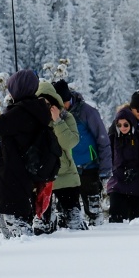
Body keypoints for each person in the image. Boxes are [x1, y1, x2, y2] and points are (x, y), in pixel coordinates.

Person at [0, 69, 60, 240]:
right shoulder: (36, 110)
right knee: (8, 221)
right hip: (23, 173)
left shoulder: (21, 112)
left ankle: (25, 256)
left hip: (12, 173)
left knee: (16, 224)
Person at [56, 80, 110, 226]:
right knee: (65, 212)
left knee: (93, 210)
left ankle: (99, 235)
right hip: (67, 171)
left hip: (89, 168)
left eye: (65, 103)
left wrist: (105, 170)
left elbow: (103, 140)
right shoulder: (55, 116)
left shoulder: (87, 112)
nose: (64, 107)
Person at [35, 80, 80, 234]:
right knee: (41, 225)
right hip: (42, 176)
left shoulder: (66, 118)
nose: (45, 107)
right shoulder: (33, 122)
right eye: (41, 103)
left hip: (65, 173)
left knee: (74, 222)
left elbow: (69, 142)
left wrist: (57, 121)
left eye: (49, 103)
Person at [105, 109, 139, 223]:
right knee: (115, 219)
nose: (123, 127)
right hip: (117, 183)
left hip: (136, 184)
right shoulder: (112, 139)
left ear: (131, 123)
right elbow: (107, 160)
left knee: (135, 221)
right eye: (119, 125)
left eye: (126, 124)